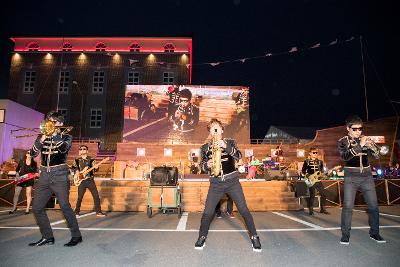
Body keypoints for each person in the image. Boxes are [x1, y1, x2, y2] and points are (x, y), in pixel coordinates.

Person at [194, 119, 261, 252]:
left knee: (243, 210)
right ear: (210, 131)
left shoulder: (230, 142)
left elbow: (238, 156)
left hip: (232, 182)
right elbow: (201, 166)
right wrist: (206, 165)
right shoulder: (205, 147)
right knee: (207, 213)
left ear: (222, 129)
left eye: (217, 127)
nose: (215, 129)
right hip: (216, 183)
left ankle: (254, 236)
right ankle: (202, 236)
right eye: (212, 127)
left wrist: (225, 146)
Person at [28, 111, 82, 247]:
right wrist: (41, 139)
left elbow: (63, 150)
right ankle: (48, 237)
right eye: (49, 121)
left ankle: (76, 236)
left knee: (64, 206)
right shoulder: (42, 135)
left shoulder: (67, 136)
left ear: (60, 123)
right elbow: (33, 153)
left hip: (59, 174)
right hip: (44, 175)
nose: (50, 123)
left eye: (53, 121)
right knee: (37, 207)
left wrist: (55, 135)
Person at [338, 115, 386, 245]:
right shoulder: (343, 141)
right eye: (355, 129)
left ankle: (375, 233)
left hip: (367, 175)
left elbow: (376, 155)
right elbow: (345, 157)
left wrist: (373, 148)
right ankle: (345, 234)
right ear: (348, 128)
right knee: (348, 207)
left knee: (373, 206)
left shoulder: (365, 139)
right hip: (351, 176)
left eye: (361, 128)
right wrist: (360, 145)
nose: (359, 131)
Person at [72, 145, 106, 217]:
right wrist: (77, 171)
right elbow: (73, 168)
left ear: (87, 151)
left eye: (84, 149)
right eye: (80, 149)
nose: (82, 150)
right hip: (81, 181)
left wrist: (96, 167)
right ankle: (76, 212)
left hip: (90, 180)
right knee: (80, 197)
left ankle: (98, 212)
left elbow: (96, 169)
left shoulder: (92, 160)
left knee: (96, 196)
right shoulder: (76, 160)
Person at [301, 147, 329, 215]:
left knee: (324, 194)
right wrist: (308, 176)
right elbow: (303, 171)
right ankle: (311, 210)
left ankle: (323, 209)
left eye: (316, 153)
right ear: (310, 153)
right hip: (310, 180)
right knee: (312, 195)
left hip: (318, 180)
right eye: (314, 152)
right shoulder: (306, 161)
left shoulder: (320, 162)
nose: (315, 154)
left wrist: (325, 175)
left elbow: (321, 172)